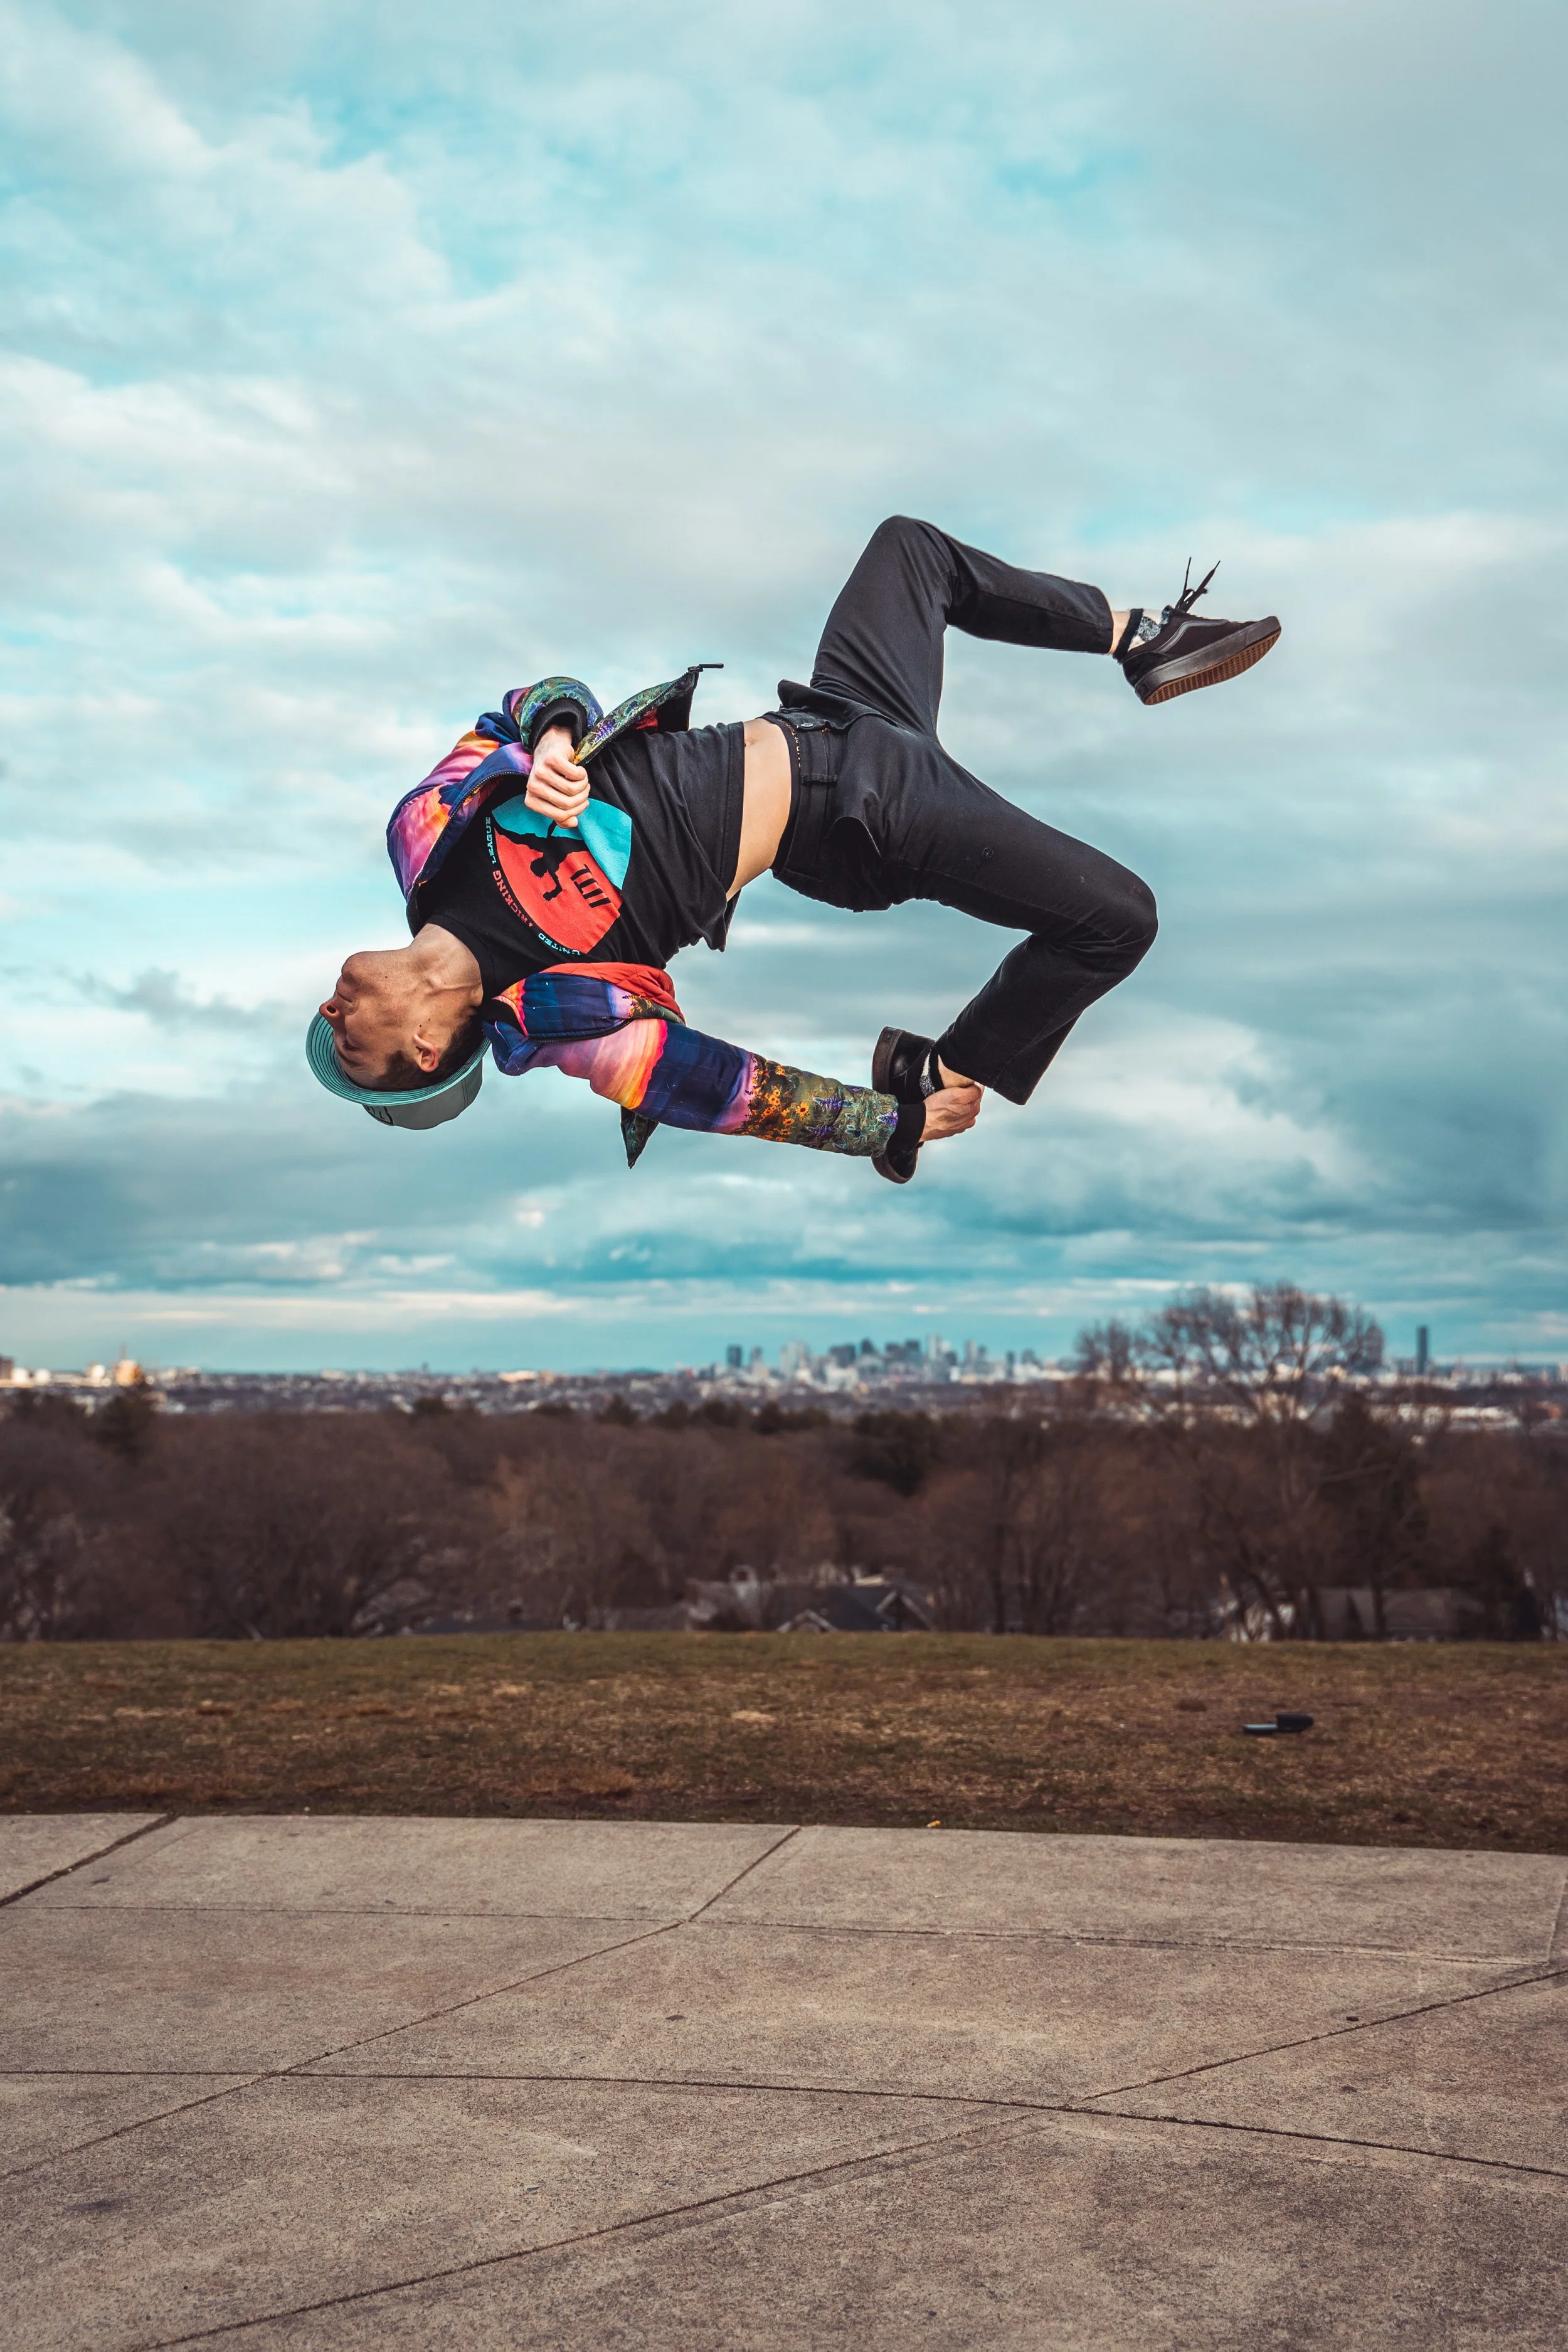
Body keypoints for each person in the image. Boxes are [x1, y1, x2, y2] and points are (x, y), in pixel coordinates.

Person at [310, 518, 1278, 1182]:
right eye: (350, 1046)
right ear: (429, 1047)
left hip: (831, 715)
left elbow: (516, 705)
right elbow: (730, 1091)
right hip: (862, 813)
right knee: (1118, 918)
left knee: (911, 550)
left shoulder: (426, 838)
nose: (330, 1009)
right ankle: (942, 1068)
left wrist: (558, 734)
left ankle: (1141, 638)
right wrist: (885, 1124)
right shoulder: (564, 1021)